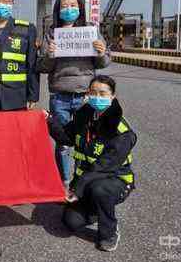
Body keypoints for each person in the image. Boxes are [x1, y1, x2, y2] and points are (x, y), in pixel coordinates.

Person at [48, 75, 136, 252]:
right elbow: (66, 137)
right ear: (88, 94)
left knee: (100, 191)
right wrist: (48, 120)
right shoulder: (85, 116)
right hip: (87, 180)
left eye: (103, 93)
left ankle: (109, 233)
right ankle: (98, 209)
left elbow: (103, 167)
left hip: (114, 180)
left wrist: (76, 190)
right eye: (93, 92)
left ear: (112, 96)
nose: (97, 97)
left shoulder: (121, 132)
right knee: (71, 222)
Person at [37, 0, 109, 191]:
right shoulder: (52, 33)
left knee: (84, 141)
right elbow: (42, 66)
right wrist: (50, 55)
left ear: (80, 8)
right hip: (60, 96)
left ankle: (81, 183)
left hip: (85, 96)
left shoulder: (90, 30)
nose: (69, 9)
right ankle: (64, 183)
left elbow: (104, 62)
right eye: (64, 6)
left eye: (73, 5)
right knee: (63, 144)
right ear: (58, 10)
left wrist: (101, 52)